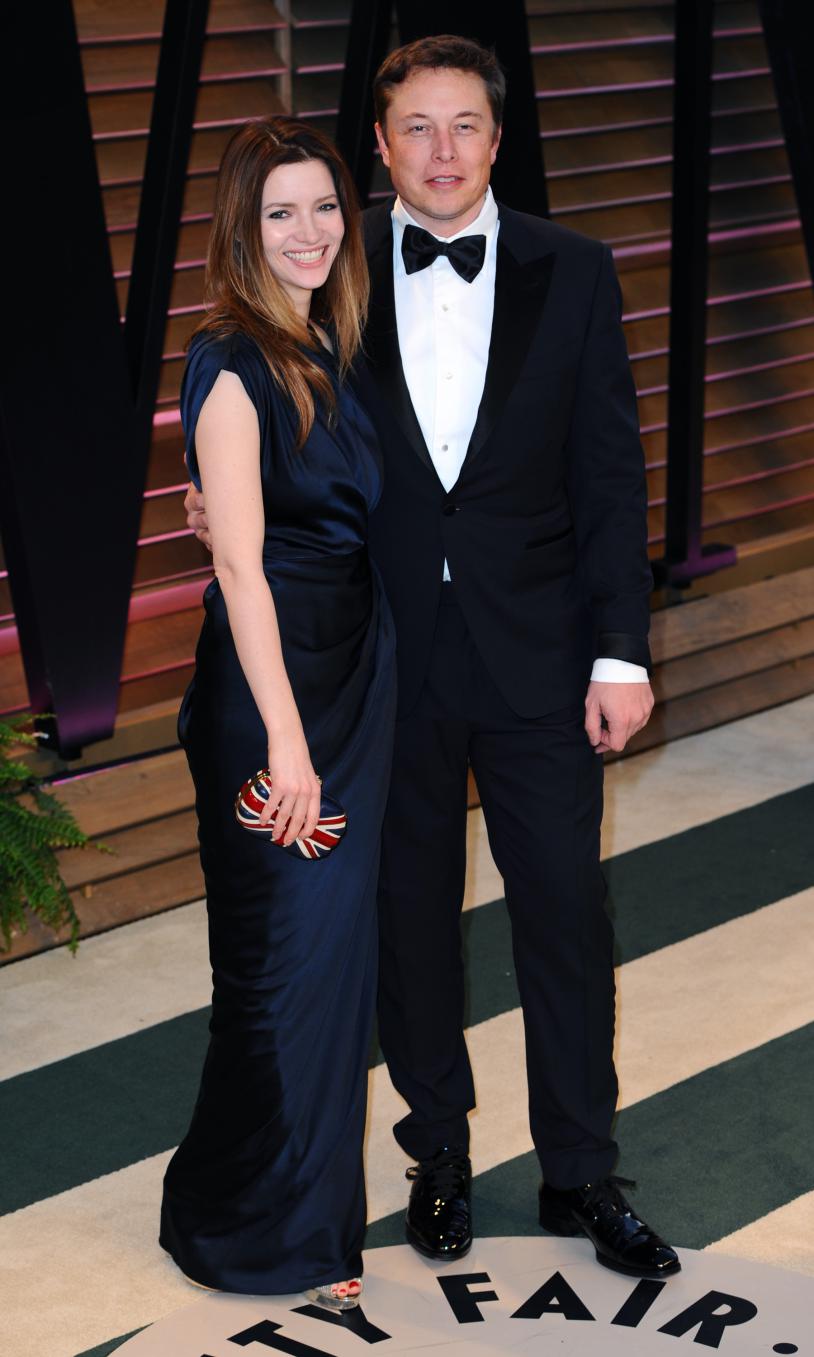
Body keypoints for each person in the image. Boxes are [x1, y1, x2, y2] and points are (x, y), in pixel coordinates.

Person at [187, 35, 679, 1281]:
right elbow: (268, 412)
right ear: (382, 144)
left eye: (466, 126)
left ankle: (581, 1172)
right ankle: (439, 1156)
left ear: (498, 140)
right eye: (417, 128)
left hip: (544, 658)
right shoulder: (329, 263)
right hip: (381, 665)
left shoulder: (576, 270)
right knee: (408, 925)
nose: (443, 152)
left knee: (565, 915)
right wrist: (222, 507)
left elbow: (611, 476)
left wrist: (621, 650)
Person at [161, 116, 396, 1310]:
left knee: (332, 968)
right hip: (276, 708)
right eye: (279, 213)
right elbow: (243, 571)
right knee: (280, 965)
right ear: (241, 231)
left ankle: (274, 1206)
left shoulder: (333, 343)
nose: (307, 232)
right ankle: (258, 1230)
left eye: (322, 208)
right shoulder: (231, 358)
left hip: (356, 675)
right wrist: (291, 744)